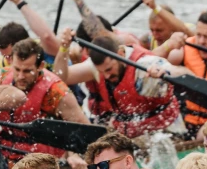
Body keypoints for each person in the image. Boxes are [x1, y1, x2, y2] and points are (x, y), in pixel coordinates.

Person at [54, 30, 182, 138]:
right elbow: (61, 77)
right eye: (102, 72)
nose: (107, 76)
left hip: (164, 133)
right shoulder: (99, 65)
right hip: (128, 132)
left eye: (109, 69)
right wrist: (64, 47)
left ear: (120, 53)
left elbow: (181, 72)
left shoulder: (145, 63)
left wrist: (166, 73)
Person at [0, 38, 88, 169]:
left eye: (27, 71)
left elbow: (83, 129)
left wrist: (74, 154)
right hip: (6, 153)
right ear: (11, 62)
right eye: (17, 69)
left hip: (43, 163)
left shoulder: (56, 91)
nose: (20, 76)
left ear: (40, 66)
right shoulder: (1, 77)